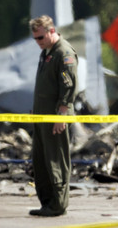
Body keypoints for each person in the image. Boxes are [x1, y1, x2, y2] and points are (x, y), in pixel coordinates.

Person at [28, 15, 78, 217]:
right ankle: (47, 202)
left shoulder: (64, 53)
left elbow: (68, 86)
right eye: (35, 39)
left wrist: (62, 114)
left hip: (55, 116)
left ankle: (58, 204)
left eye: (40, 38)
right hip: (41, 116)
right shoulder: (46, 52)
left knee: (56, 160)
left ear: (51, 31)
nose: (38, 42)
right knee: (40, 160)